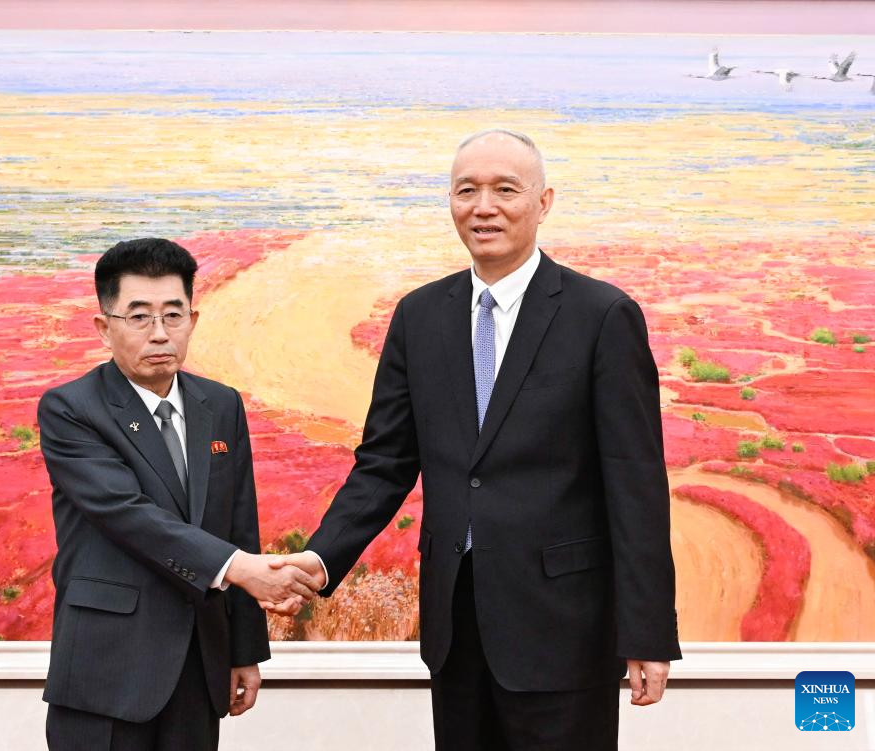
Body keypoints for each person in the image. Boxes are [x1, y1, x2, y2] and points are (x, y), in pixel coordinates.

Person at [268, 130, 681, 750]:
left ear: (543, 202)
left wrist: (646, 632)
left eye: (505, 190)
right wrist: (320, 558)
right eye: (467, 191)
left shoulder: (601, 315)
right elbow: (384, 463)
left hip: (565, 628)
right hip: (456, 628)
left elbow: (635, 483)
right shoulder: (419, 316)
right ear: (451, 202)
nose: (484, 207)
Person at [38, 238, 319, 751]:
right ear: (104, 327)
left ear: (193, 319)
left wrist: (244, 650)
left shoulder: (221, 405)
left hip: (199, 660)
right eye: (139, 317)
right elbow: (127, 513)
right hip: (107, 668)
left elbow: (239, 523)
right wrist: (240, 568)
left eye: (173, 314)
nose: (160, 332)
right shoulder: (71, 409)